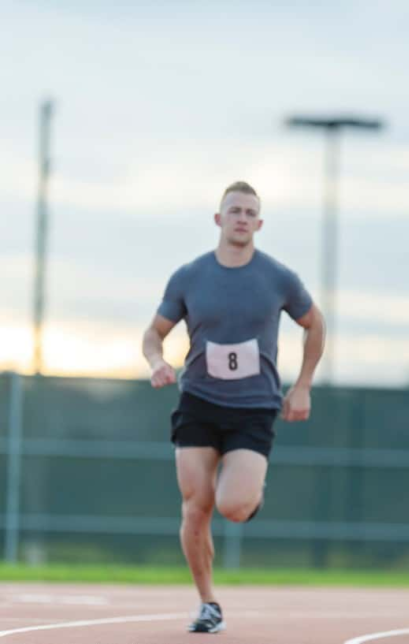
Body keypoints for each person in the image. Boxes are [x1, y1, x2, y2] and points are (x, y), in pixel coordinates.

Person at [142, 181, 325, 634]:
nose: (242, 218)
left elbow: (314, 323)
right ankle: (208, 603)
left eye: (250, 212)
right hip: (199, 401)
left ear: (259, 224)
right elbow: (154, 333)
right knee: (194, 506)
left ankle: (251, 491)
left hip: (254, 407)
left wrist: (302, 385)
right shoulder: (189, 276)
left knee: (233, 507)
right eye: (234, 210)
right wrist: (156, 361)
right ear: (219, 219)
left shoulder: (278, 277)